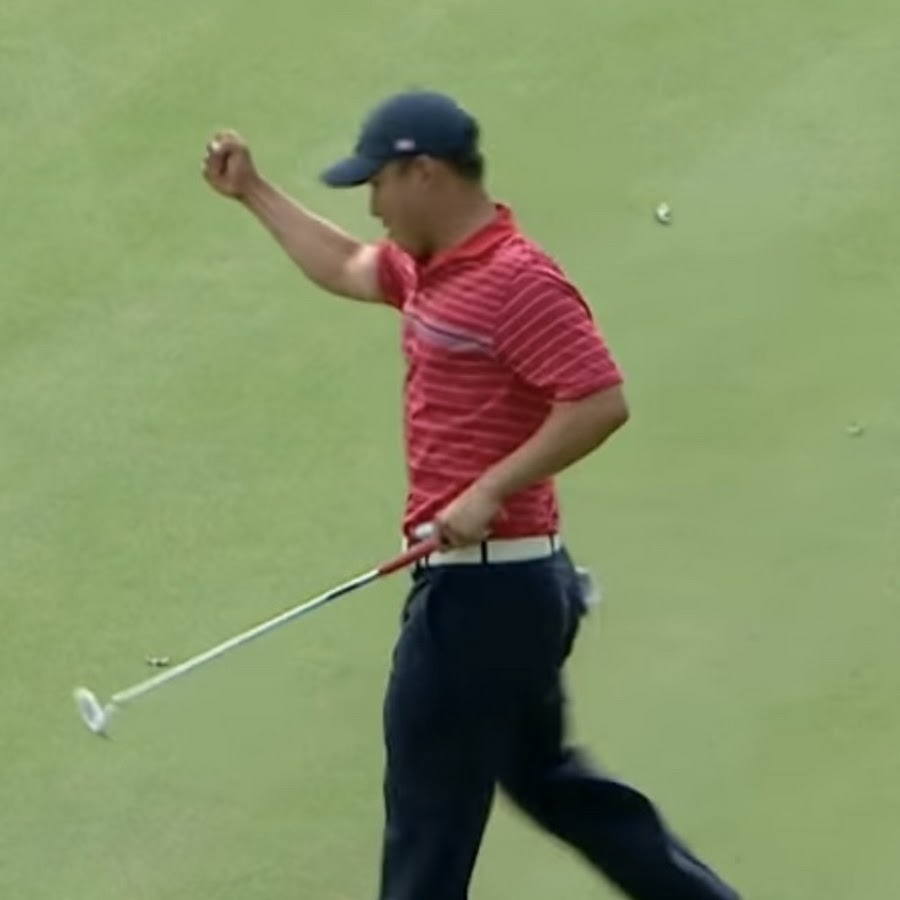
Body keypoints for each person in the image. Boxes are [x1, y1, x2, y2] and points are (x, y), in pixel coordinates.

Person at [203, 90, 740, 900]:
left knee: (427, 827)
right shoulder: (432, 269)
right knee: (552, 784)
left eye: (378, 184)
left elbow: (598, 399)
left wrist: (490, 489)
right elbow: (347, 265)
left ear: (424, 173)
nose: (374, 206)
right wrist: (253, 191)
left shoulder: (515, 281)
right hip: (517, 590)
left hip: (483, 596)